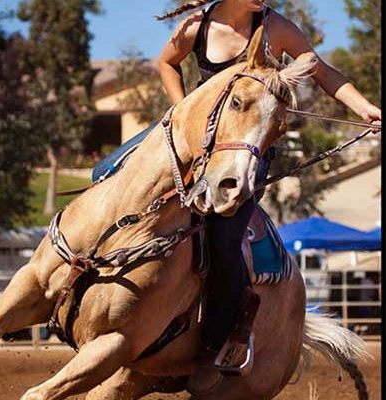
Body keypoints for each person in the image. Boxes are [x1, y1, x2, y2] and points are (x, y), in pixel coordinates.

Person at [92, 0, 381, 394]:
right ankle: (80, 282)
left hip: (242, 151)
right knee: (103, 173)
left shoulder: (277, 28)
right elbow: (166, 63)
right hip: (191, 137)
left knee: (225, 241)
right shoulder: (197, 27)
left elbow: (323, 71)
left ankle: (214, 348)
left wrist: (365, 108)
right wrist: (180, 109)